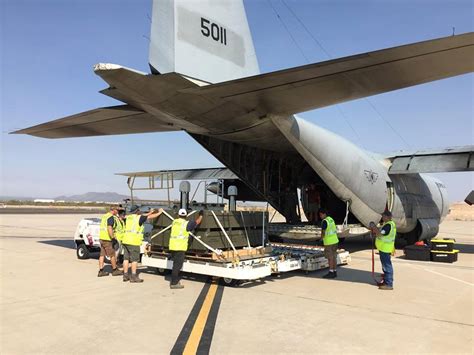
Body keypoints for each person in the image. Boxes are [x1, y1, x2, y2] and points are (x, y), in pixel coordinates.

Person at [122, 205, 164, 283]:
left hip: (125, 240)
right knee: (134, 260)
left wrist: (149, 212)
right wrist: (159, 212)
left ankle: (125, 275)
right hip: (133, 241)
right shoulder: (139, 218)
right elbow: (150, 217)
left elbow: (143, 215)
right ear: (137, 211)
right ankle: (134, 276)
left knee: (126, 259)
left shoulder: (128, 217)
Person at [169, 209, 203, 289]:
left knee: (175, 264)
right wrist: (201, 215)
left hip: (173, 246)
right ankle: (174, 283)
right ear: (186, 215)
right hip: (180, 247)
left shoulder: (174, 222)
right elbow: (197, 222)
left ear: (178, 215)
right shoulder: (186, 224)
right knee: (177, 266)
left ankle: (175, 280)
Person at [370, 211, 397, 290]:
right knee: (386, 265)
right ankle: (387, 281)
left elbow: (379, 234)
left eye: (383, 216)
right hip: (385, 248)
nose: (382, 218)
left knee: (386, 266)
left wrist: (373, 226)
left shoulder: (388, 225)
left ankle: (389, 284)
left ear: (387, 217)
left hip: (385, 248)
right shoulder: (390, 224)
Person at [98, 205, 122, 277]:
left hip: (102, 238)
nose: (118, 212)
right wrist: (113, 238)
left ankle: (101, 271)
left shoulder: (105, 216)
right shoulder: (111, 217)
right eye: (117, 210)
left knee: (102, 255)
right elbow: (109, 228)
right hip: (107, 239)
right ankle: (115, 270)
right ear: (113, 210)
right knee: (112, 255)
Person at [318, 208, 339, 279]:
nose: (320, 216)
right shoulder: (331, 219)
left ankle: (331, 272)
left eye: (321, 215)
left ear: (324, 214)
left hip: (329, 243)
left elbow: (323, 232)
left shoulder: (324, 221)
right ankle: (335, 271)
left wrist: (320, 239)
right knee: (334, 257)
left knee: (330, 258)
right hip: (335, 241)